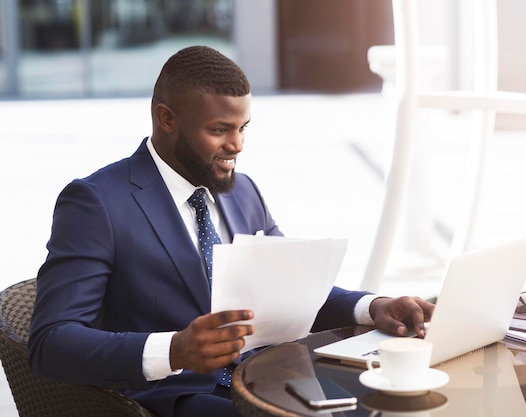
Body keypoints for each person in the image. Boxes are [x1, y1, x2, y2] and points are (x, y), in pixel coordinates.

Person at [28, 46, 435, 417]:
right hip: (179, 398)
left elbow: (292, 287)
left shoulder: (242, 191)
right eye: (220, 129)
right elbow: (51, 341)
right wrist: (174, 350)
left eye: (243, 128)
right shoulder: (96, 202)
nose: (237, 145)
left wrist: (374, 306)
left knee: (397, 404)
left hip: (272, 378)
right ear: (166, 118)